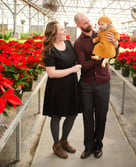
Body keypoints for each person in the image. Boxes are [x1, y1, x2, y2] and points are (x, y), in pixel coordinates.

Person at [74, 13, 119, 159]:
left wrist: (116, 45)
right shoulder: (78, 43)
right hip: (86, 84)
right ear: (79, 26)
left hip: (103, 81)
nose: (90, 23)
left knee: (101, 116)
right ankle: (88, 147)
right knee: (88, 116)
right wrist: (99, 59)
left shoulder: (104, 33)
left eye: (89, 21)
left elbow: (114, 54)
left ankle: (98, 145)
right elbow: (83, 65)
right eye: (85, 23)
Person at [42, 21, 82, 159]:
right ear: (53, 33)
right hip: (57, 88)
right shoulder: (49, 51)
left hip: (71, 85)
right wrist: (72, 69)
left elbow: (76, 59)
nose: (65, 32)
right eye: (62, 30)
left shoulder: (69, 44)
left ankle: (64, 140)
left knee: (72, 114)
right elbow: (51, 73)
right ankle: (56, 145)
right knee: (56, 116)